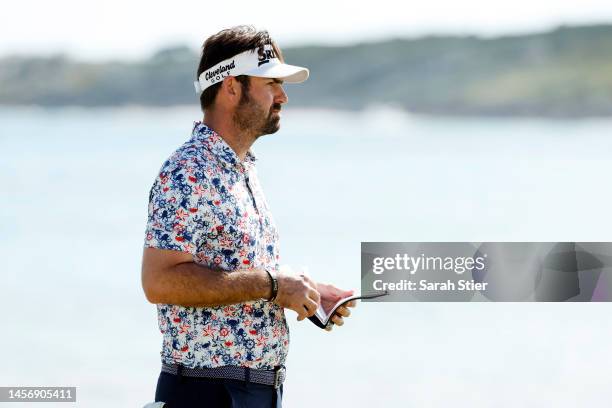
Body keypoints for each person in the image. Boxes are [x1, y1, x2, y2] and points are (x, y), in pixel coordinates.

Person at [141, 26, 356, 408]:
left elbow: (236, 270)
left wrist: (302, 290)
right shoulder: (188, 171)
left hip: (251, 390)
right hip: (205, 393)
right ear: (231, 88)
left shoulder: (240, 170)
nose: (283, 96)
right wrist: (273, 284)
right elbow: (159, 280)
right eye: (271, 83)